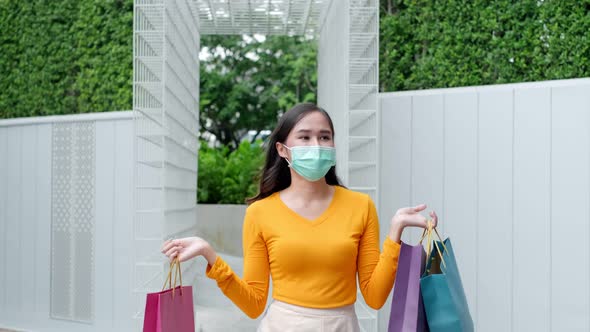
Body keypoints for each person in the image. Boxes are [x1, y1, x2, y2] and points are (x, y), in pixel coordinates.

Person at [161, 103, 438, 331]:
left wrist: (394, 236)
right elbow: (254, 303)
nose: (316, 144)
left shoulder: (360, 206)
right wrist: (211, 256)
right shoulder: (260, 213)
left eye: (324, 137)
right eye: (304, 137)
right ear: (282, 150)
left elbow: (375, 297)